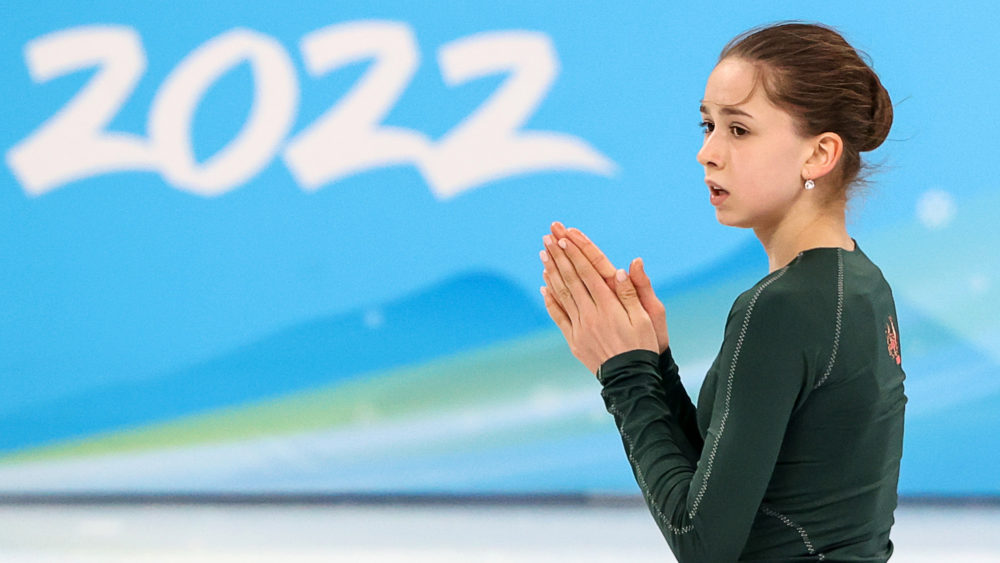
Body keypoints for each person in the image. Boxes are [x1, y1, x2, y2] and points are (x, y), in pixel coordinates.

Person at [539, 22, 906, 562]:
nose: (707, 152)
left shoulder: (781, 307)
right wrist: (655, 366)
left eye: (739, 130)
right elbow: (730, 487)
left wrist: (624, 374)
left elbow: (702, 542)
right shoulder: (862, 282)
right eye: (708, 125)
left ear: (819, 154)